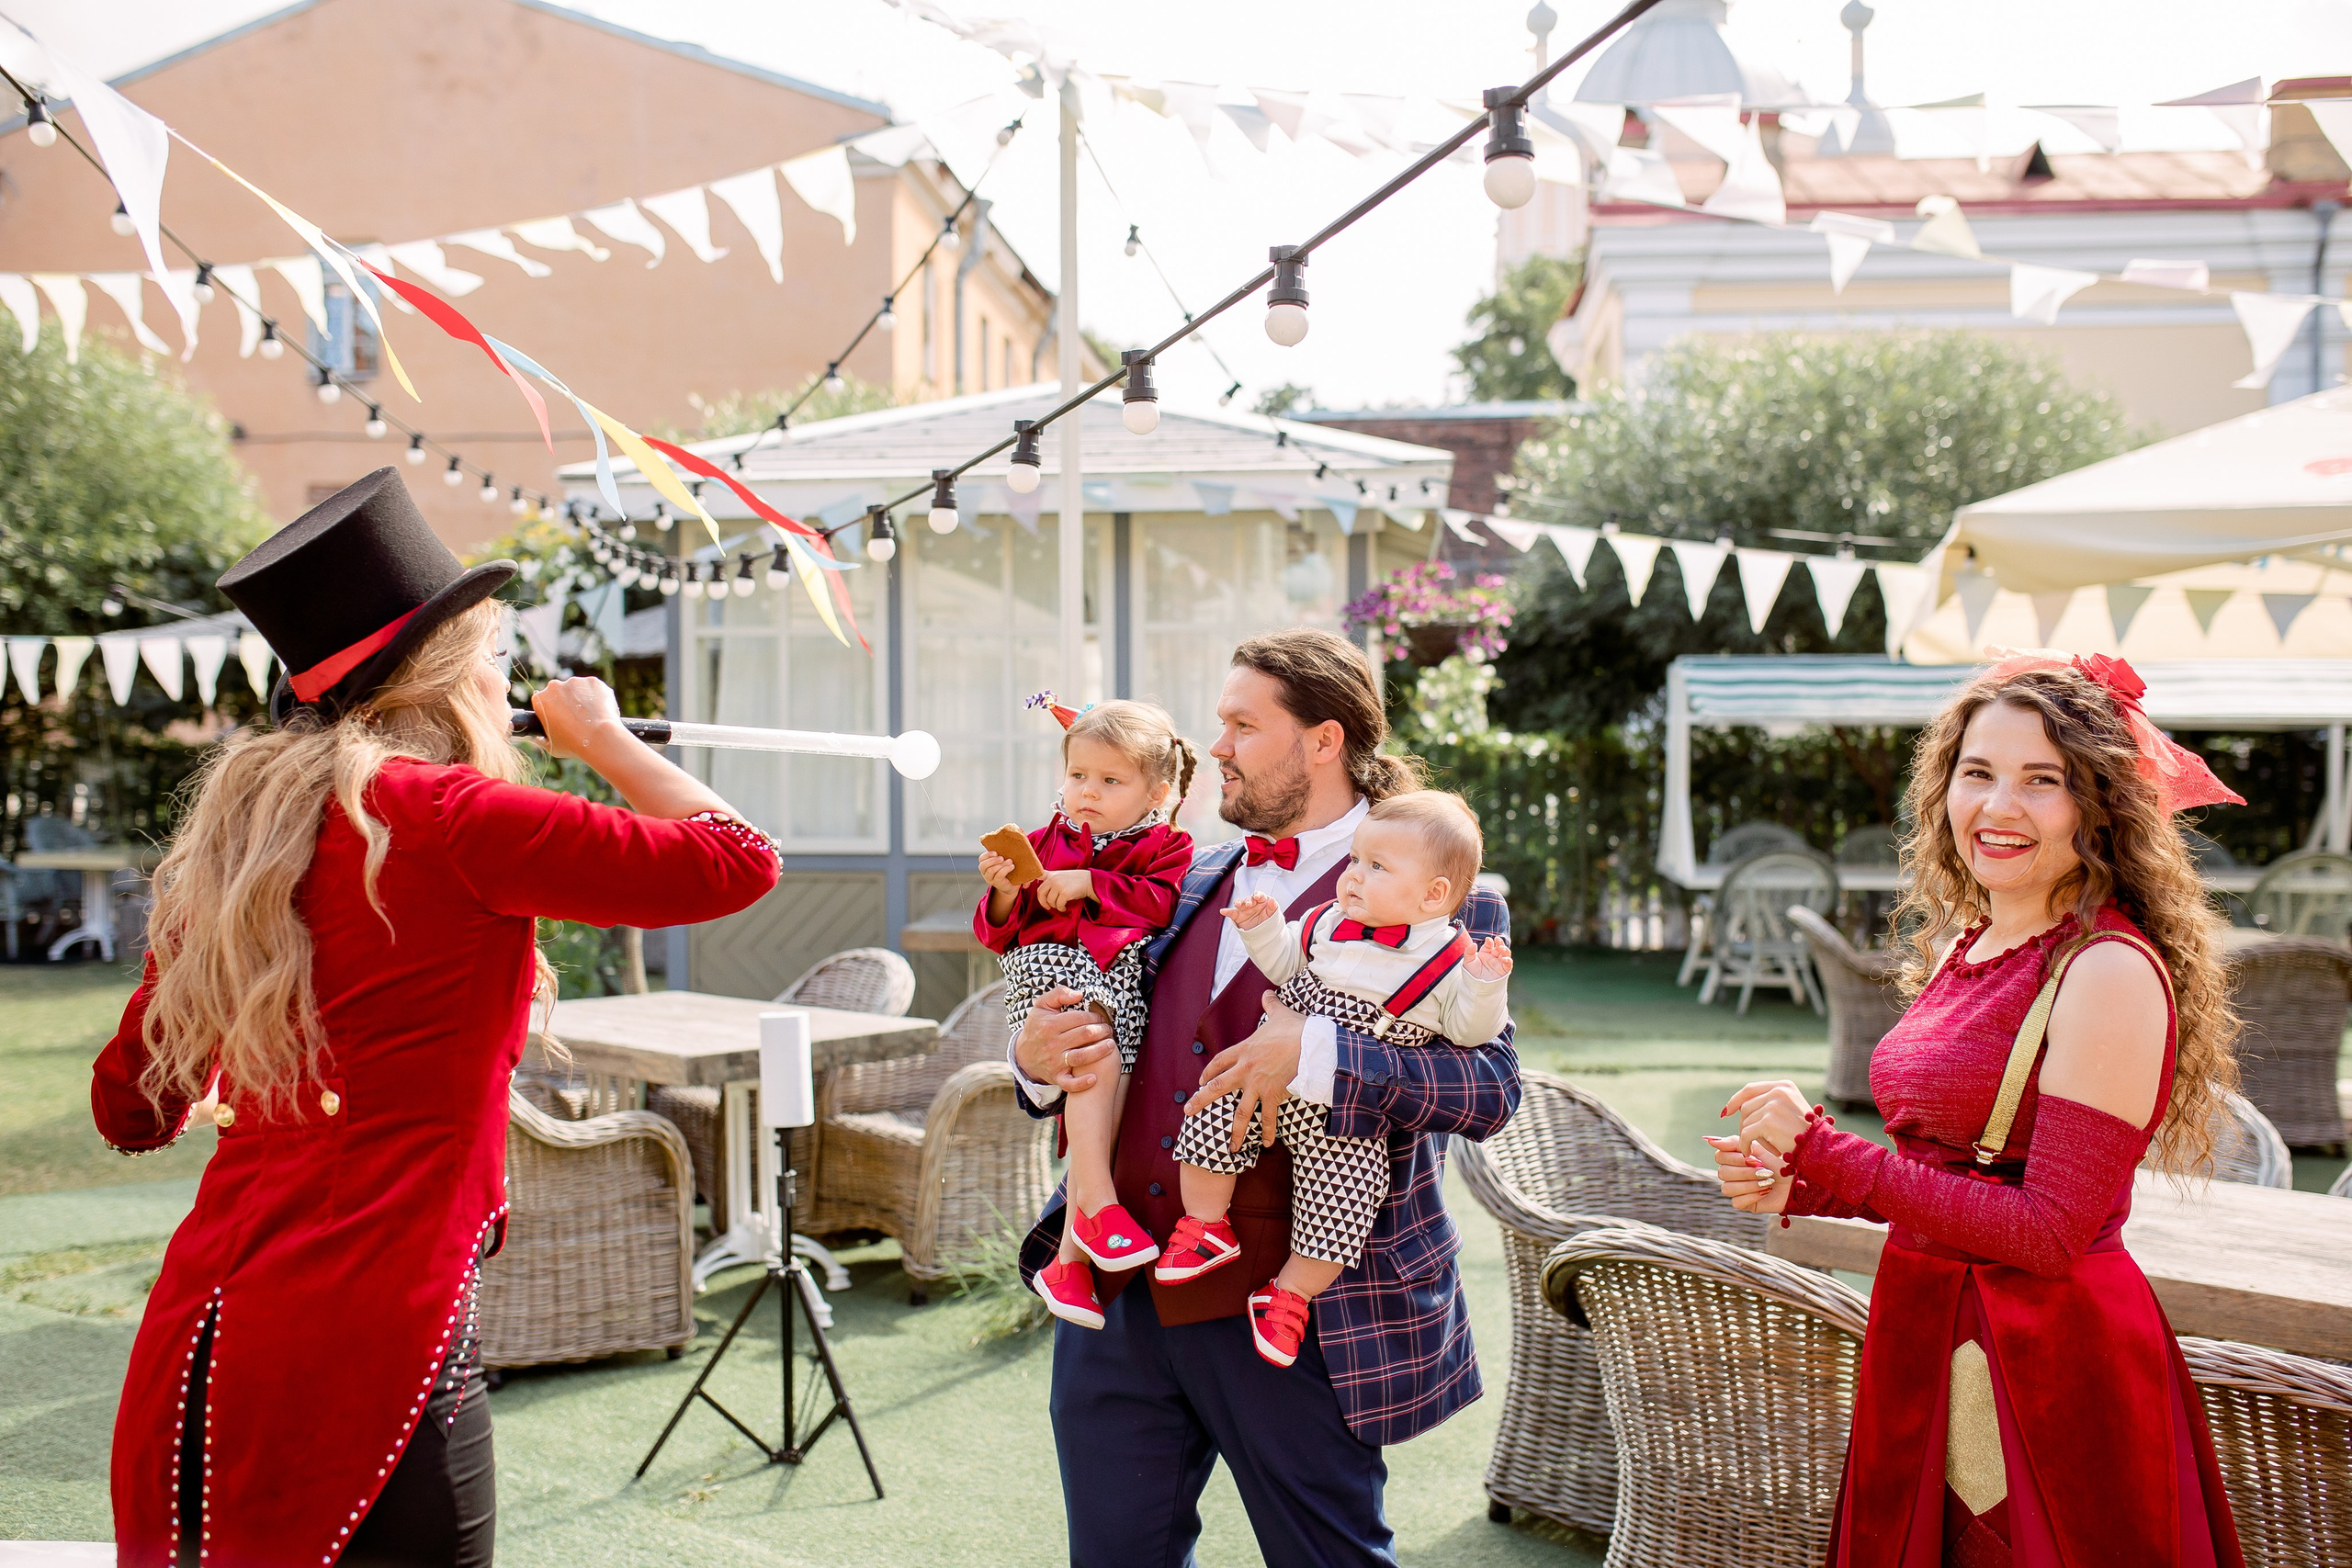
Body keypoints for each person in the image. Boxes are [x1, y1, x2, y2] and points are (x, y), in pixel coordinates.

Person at [90, 468, 781, 1568]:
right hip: (373, 1337)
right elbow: (736, 863)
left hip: (202, 1330)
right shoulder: (450, 816)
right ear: (449, 674)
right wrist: (601, 738)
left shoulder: (234, 846)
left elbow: (129, 1108)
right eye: (499, 654)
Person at [1709, 651, 2246, 1568]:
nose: (1998, 808)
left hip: (2041, 1368)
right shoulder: (1973, 936)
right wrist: (1804, 1182)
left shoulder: (2104, 969)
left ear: (2100, 804)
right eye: (1977, 773)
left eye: (2043, 781)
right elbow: (1954, 1170)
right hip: (1929, 1331)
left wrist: (1830, 1154)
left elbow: (2046, 1230)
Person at [1011, 627, 1520, 1568]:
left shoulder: (1444, 892)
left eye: (1243, 726)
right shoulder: (1184, 872)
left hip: (1301, 1311)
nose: (1218, 749)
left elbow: (1489, 1090)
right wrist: (1034, 1057)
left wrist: (1317, 1048)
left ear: (1323, 741)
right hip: (1118, 1295)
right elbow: (1111, 1026)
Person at [1159, 789, 1513, 1369]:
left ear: (1434, 895)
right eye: (1354, 861)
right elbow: (1285, 968)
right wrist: (1264, 931)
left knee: (1343, 1207)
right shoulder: (1326, 921)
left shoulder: (1449, 957)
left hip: (1348, 1118)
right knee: (1209, 1121)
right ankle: (1205, 1225)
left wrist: (1485, 983)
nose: (1353, 877)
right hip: (1260, 1086)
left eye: (1376, 868)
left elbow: (1473, 1037)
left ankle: (1289, 1295)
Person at [973, 694, 1195, 1320]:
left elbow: (1159, 904)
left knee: (1111, 1077)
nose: (1087, 791)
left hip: (1114, 982)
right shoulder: (1043, 839)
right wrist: (1001, 893)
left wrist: (1090, 883)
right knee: (1092, 1040)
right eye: (1077, 775)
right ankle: (1097, 1200)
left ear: (1156, 791)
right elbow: (996, 932)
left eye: (1109, 779)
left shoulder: (1167, 846)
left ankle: (1069, 1264)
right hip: (1048, 982)